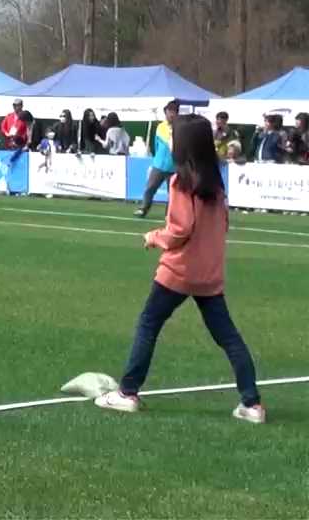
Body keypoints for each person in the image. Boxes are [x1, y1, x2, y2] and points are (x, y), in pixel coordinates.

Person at [95, 115, 264, 424]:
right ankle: (252, 404)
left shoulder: (180, 181)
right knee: (228, 337)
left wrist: (153, 237)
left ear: (183, 144)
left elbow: (180, 228)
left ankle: (127, 393)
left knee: (148, 324)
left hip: (179, 270)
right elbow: (222, 225)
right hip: (210, 274)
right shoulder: (216, 183)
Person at [136, 101, 179, 218]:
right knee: (150, 187)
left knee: (173, 193)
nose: (170, 114)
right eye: (168, 112)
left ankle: (169, 214)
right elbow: (156, 144)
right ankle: (143, 208)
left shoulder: (180, 128)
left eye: (173, 112)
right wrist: (157, 158)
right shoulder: (160, 127)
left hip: (174, 167)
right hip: (159, 164)